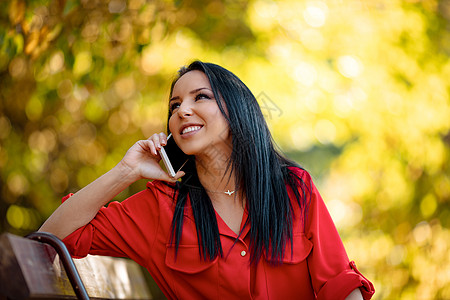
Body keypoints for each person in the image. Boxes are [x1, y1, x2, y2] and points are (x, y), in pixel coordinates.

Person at [39, 61, 375, 300]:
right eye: (174, 105)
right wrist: (125, 172)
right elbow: (51, 237)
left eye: (200, 97)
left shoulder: (293, 188)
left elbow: (339, 285)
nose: (182, 111)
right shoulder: (160, 208)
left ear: (238, 111)